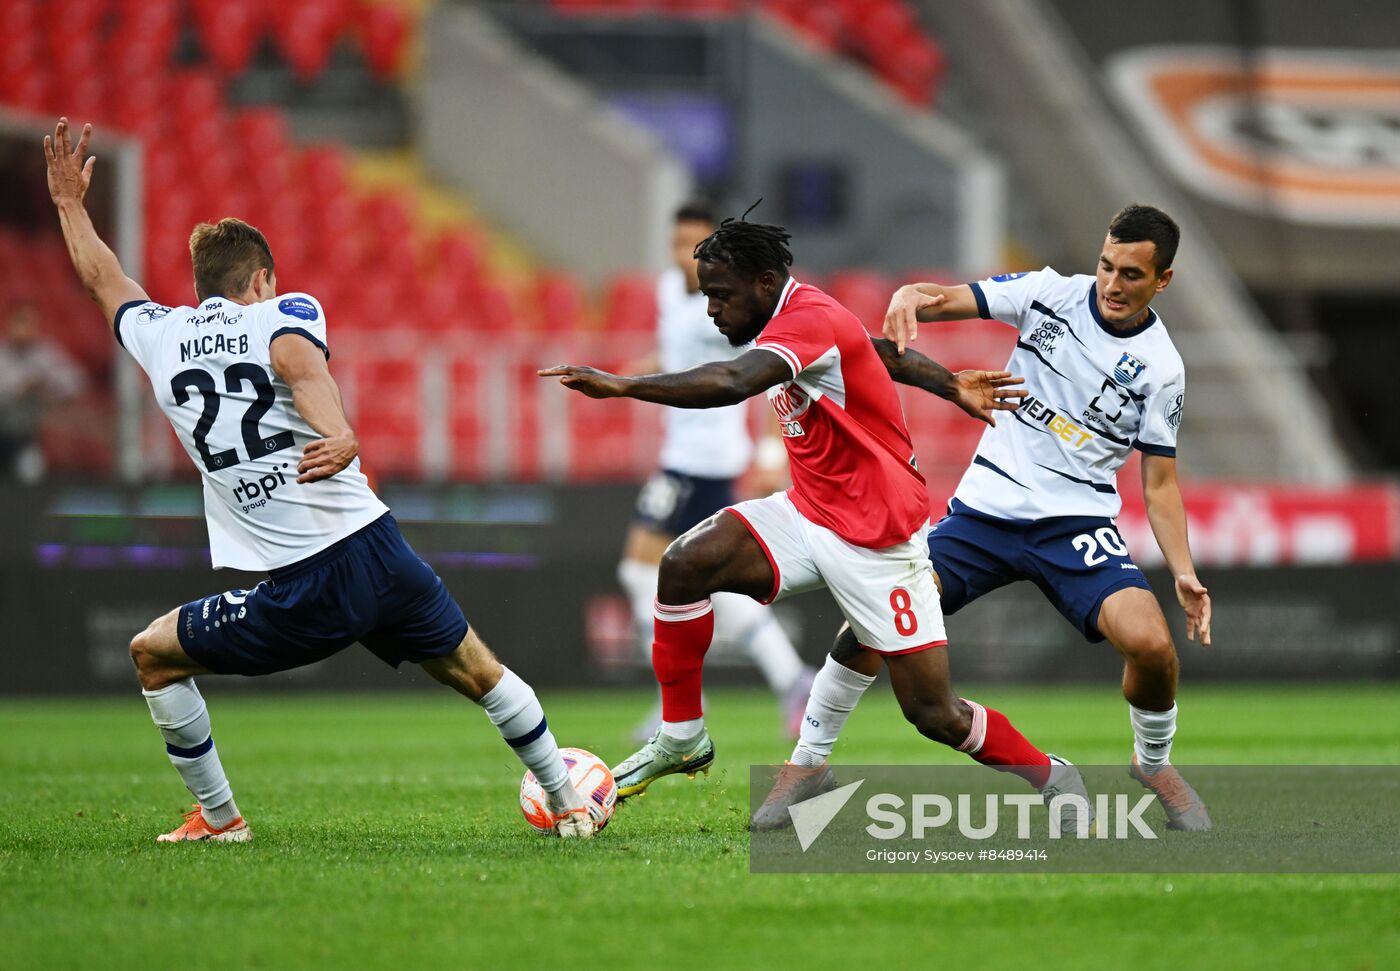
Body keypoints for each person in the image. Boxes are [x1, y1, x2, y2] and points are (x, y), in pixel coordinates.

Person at [45, 118, 598, 842]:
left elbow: (102, 277)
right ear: (262, 279)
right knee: (479, 669)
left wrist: (68, 204)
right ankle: (568, 802)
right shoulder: (288, 310)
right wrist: (339, 431)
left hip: (304, 581)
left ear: (203, 285)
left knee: (152, 653)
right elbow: (301, 366)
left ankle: (221, 819)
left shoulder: (162, 334)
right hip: (377, 544)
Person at [541, 213, 1097, 833]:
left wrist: (622, 387)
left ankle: (1054, 776)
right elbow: (878, 352)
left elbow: (732, 382)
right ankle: (682, 737)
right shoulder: (806, 315)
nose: (712, 312)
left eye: (722, 296)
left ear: (765, 280)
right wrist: (949, 383)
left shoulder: (804, 320)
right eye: (706, 297)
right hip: (809, 511)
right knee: (684, 563)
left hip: (878, 536)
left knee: (935, 713)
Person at [762, 204, 1213, 831]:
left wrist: (1184, 572)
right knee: (868, 622)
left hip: (1076, 525)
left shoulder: (1162, 369)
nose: (1112, 284)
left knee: (1154, 647)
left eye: (1132, 275)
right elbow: (942, 298)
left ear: (1162, 281)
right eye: (1107, 265)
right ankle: (808, 764)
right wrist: (908, 296)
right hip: (984, 514)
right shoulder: (1049, 292)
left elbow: (1159, 481)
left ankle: (1154, 763)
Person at [619, 200, 814, 741]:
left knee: (642, 571)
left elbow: (778, 370)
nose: (687, 256)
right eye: (680, 245)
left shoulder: (736, 298)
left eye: (697, 246)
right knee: (707, 586)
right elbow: (676, 347)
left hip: (710, 460)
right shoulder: (667, 292)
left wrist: (772, 454)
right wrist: (632, 374)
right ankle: (790, 678)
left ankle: (678, 699)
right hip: (679, 456)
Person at [0, 300, 85, 482]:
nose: (24, 329)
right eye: (20, 322)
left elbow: (74, 381)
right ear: (10, 323)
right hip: (3, 430)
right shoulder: (2, 355)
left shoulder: (44, 354)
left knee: (30, 472)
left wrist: (48, 387)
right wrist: (23, 386)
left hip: (27, 436)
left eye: (29, 323)